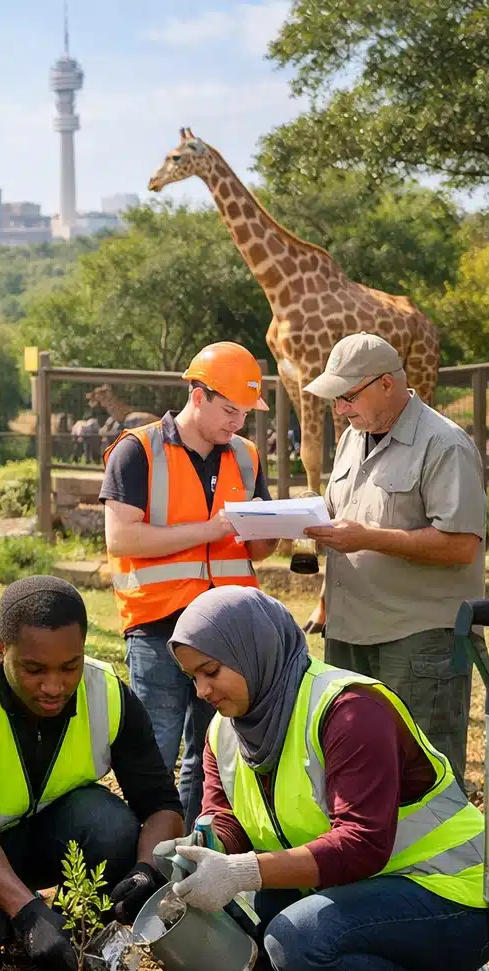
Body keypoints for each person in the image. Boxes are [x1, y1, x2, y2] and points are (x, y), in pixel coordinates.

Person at [166, 586, 489, 971]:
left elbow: (363, 844)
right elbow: (227, 816)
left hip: (450, 896)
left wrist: (243, 871)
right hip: (354, 889)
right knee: (237, 931)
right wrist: (201, 844)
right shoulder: (225, 732)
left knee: (295, 942)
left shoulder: (350, 710)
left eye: (211, 671)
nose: (202, 690)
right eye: (193, 677)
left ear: (252, 652)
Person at [0, 575, 185, 971]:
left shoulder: (109, 694)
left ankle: (63, 927)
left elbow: (161, 805)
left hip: (33, 838)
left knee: (111, 825)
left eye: (70, 667)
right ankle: (15, 910)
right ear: (0, 648)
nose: (54, 686)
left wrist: (145, 870)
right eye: (33, 669)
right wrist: (29, 914)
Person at [100, 342, 277, 825]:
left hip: (228, 628)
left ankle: (194, 853)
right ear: (197, 395)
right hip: (158, 625)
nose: (237, 423)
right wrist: (213, 530)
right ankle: (144, 859)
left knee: (213, 752)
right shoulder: (136, 450)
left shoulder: (247, 456)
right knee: (154, 747)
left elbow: (258, 550)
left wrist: (276, 529)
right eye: (228, 410)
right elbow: (122, 537)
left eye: (244, 412)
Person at [300, 333, 487, 785]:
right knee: (357, 771)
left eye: (347, 397)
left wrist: (368, 538)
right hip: (350, 635)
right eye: (336, 400)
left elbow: (462, 544)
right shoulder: (351, 439)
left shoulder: (445, 445)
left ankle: (433, 861)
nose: (340, 410)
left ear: (387, 384)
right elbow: (343, 516)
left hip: (419, 641)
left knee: (424, 775)